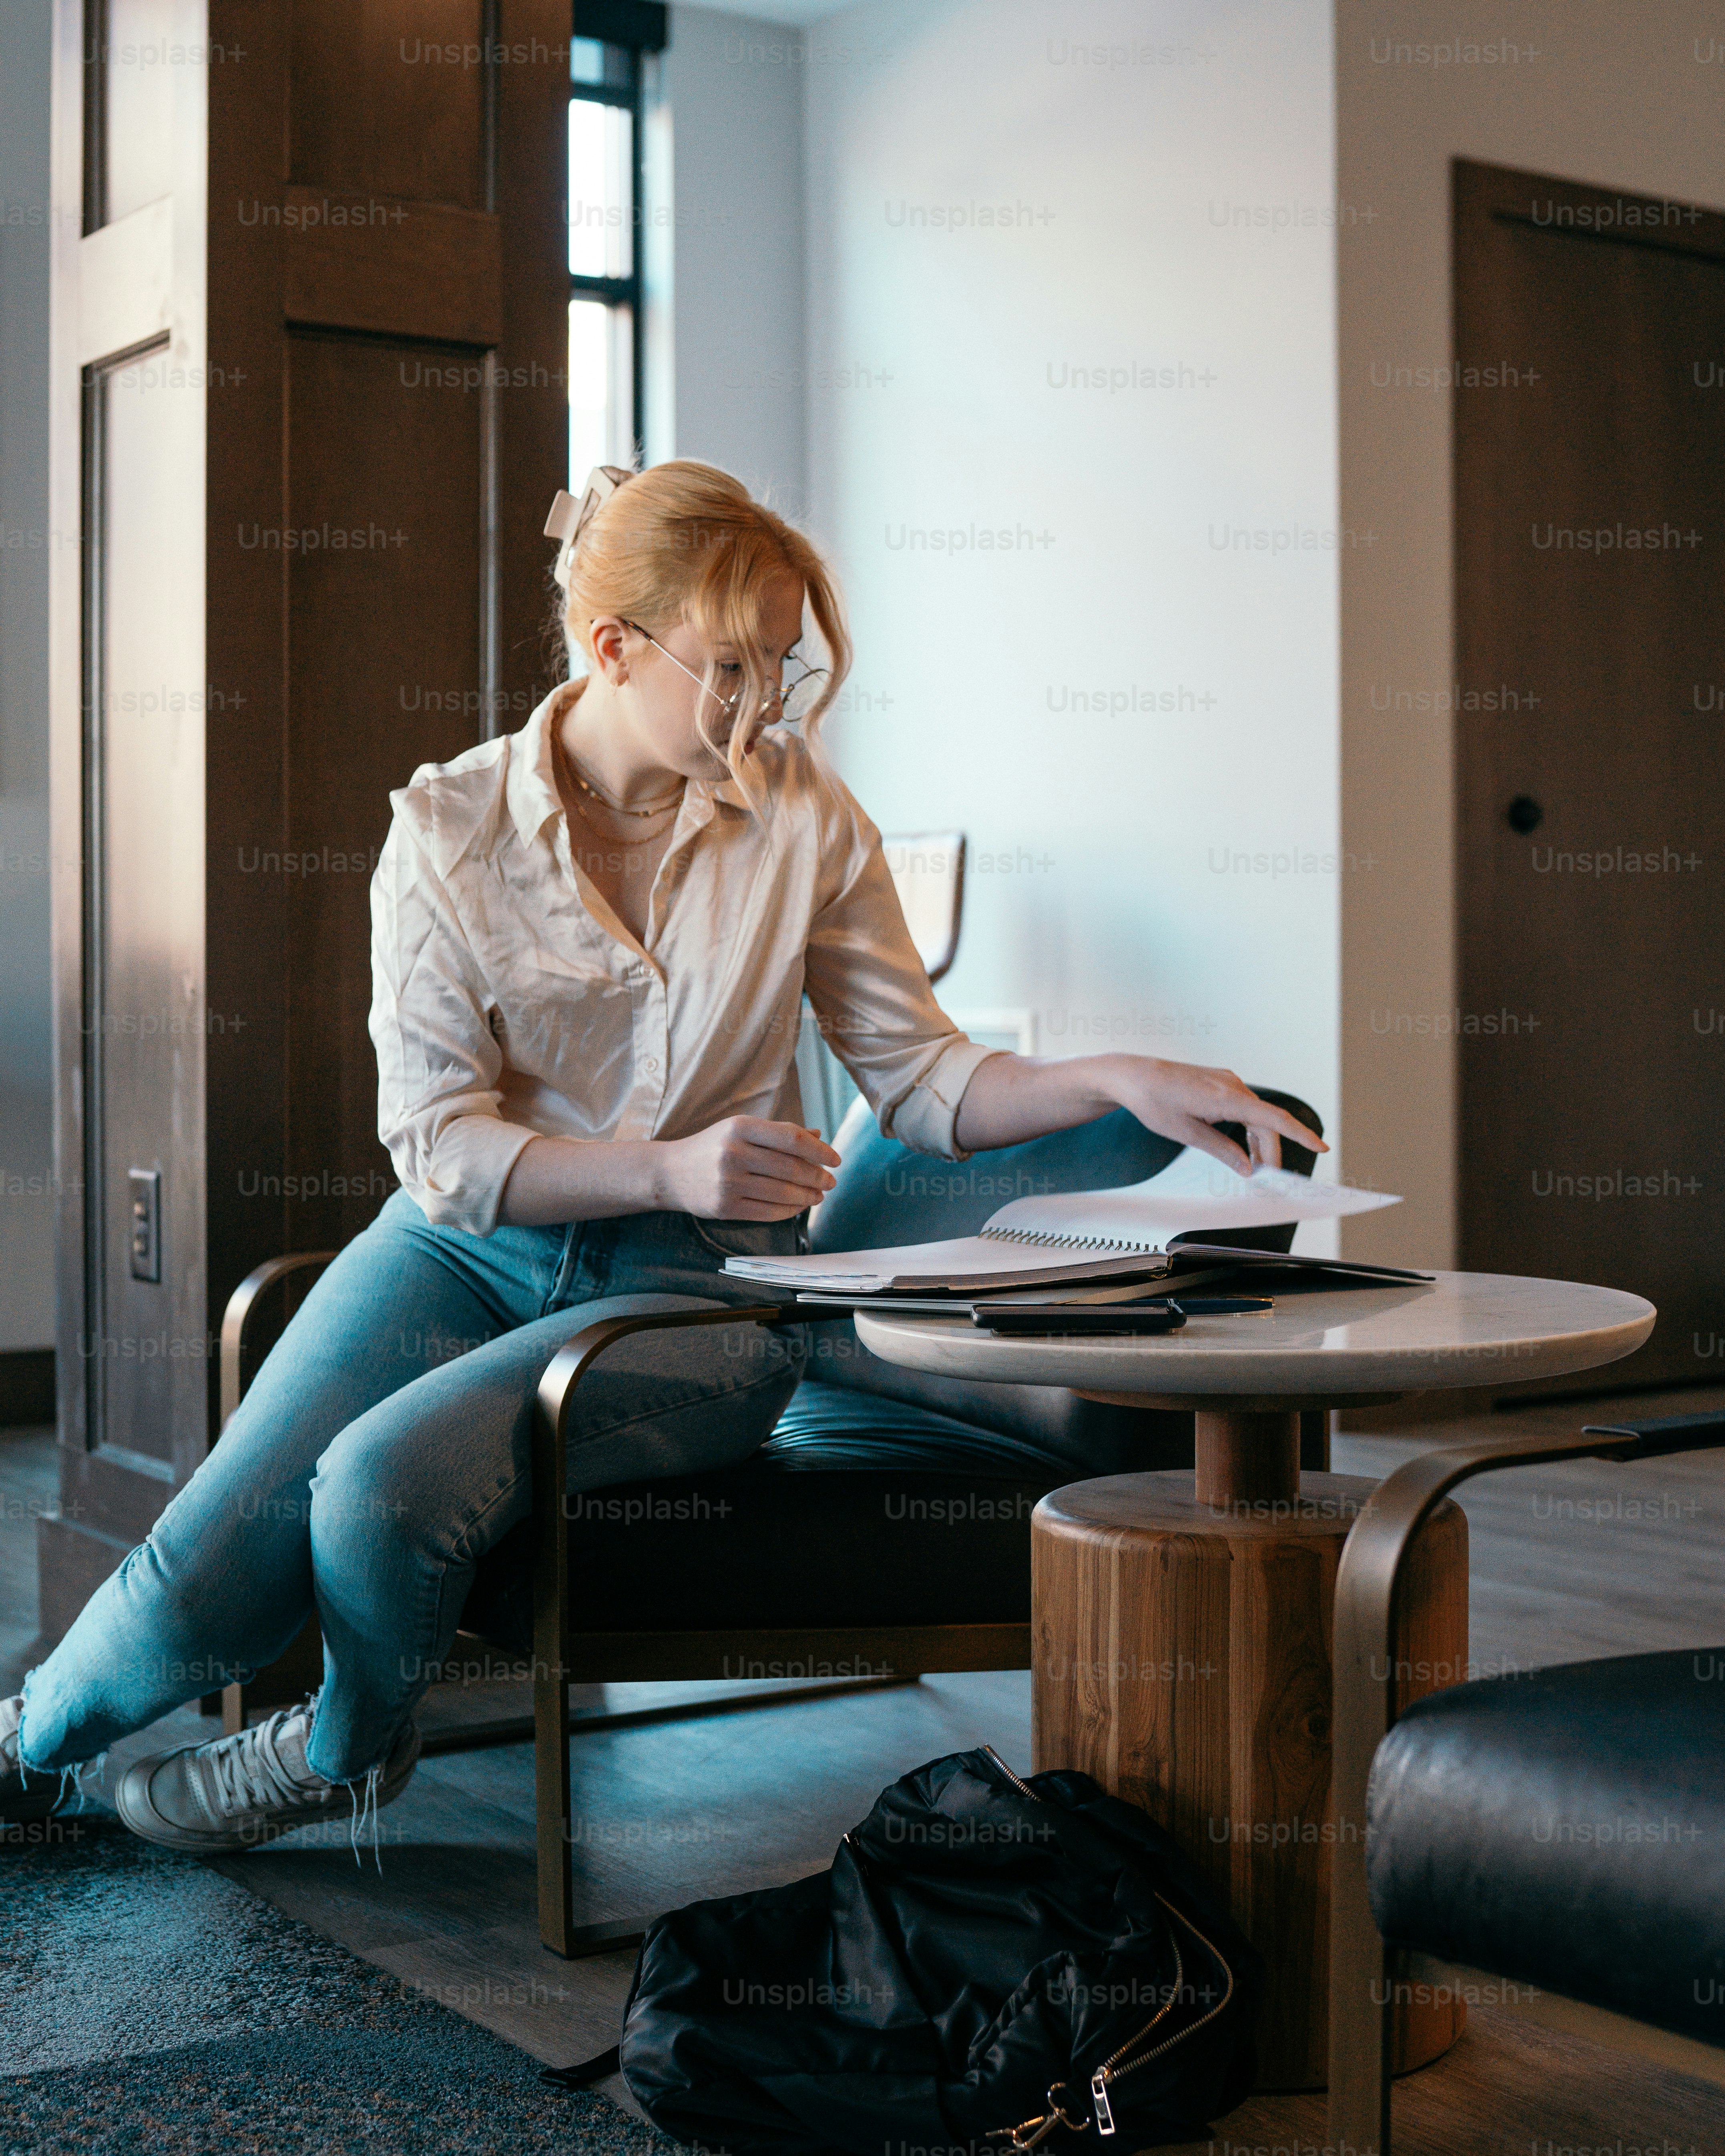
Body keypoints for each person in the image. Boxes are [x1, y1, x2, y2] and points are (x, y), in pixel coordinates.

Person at [0, 460, 1322, 1849]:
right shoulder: (446, 832)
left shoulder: (803, 817)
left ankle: (339, 1754)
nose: (764, 710)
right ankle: (24, 1751)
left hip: (702, 1300)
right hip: (461, 1250)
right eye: (733, 669)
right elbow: (442, 1150)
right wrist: (667, 1165)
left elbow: (923, 1080)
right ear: (614, 647)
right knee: (187, 1584)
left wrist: (1114, 1074)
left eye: (787, 674)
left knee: (376, 1492)